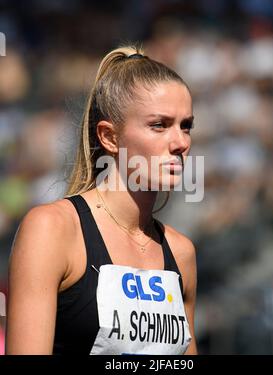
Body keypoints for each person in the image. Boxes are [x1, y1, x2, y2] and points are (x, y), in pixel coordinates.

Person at [5, 44, 198, 355]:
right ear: (109, 136)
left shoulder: (181, 252)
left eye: (186, 126)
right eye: (159, 125)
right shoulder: (52, 229)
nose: (180, 143)